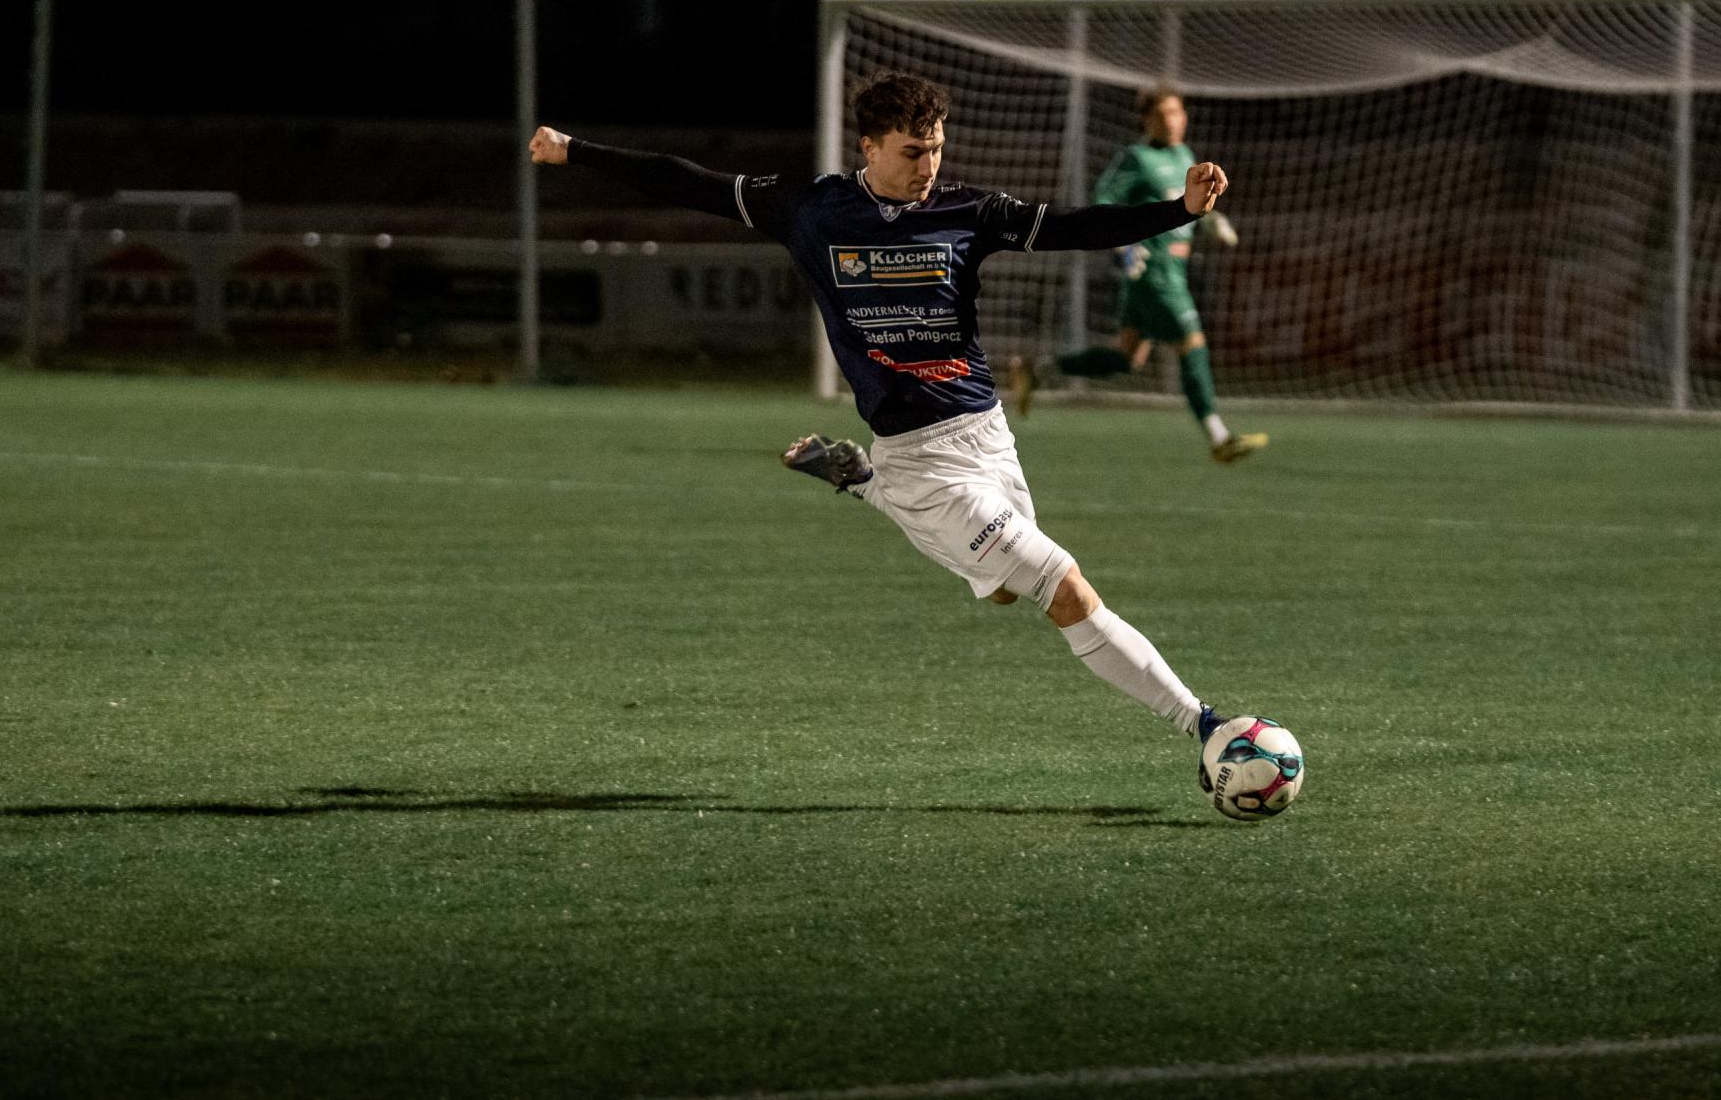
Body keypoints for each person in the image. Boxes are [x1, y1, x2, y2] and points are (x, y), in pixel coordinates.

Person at [529, 73, 1238, 752]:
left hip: (989, 435)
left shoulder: (968, 212)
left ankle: (862, 480)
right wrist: (575, 150)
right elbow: (686, 180)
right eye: (912, 151)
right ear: (867, 147)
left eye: (935, 148)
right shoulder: (810, 207)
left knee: (1001, 595)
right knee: (1066, 590)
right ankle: (1205, 725)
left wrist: (1178, 211)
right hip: (924, 464)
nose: (928, 165)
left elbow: (1073, 227)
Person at [1009, 87, 1267, 464]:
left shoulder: (1186, 156)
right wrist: (1126, 248)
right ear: (1147, 120)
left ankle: (1037, 370)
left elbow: (1189, 206)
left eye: (1177, 112)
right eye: (1163, 114)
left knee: (1127, 357)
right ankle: (1219, 436)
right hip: (1153, 273)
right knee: (1192, 343)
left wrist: (1213, 221)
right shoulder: (1136, 158)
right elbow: (1104, 198)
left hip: (1173, 269)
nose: (1172, 120)